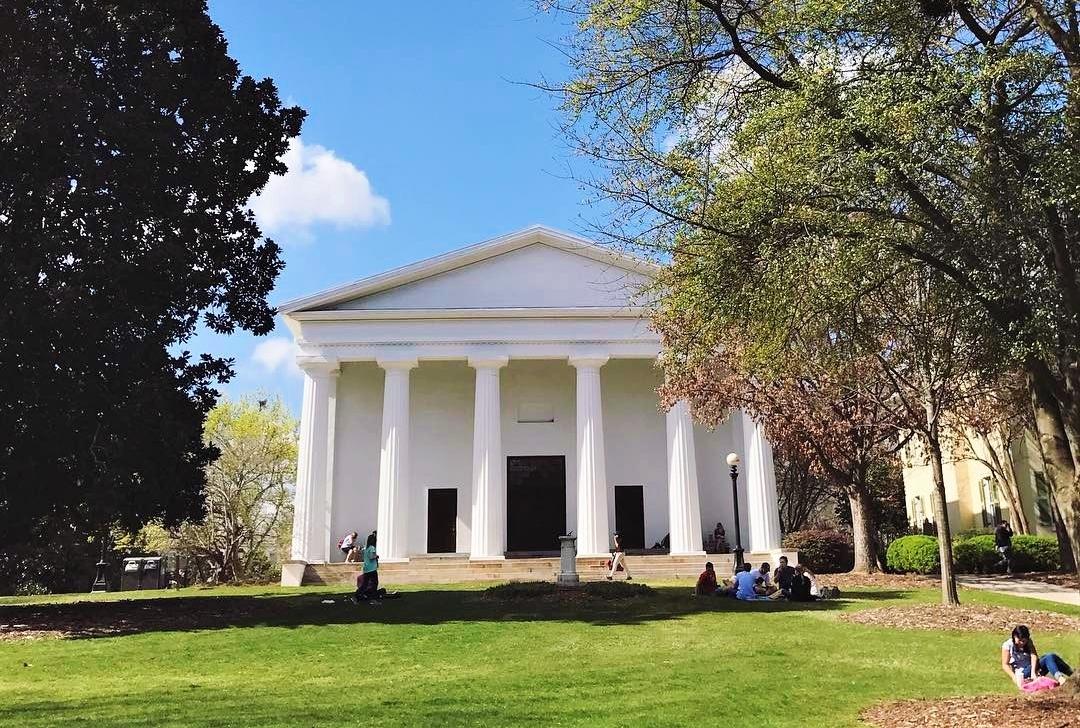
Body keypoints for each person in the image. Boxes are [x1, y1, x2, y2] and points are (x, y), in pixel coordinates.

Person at [1001, 625, 1072, 688]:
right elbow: (1005, 664)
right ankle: (1062, 679)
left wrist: (1033, 672)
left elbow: (1034, 655)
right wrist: (1014, 677)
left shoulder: (1028, 642)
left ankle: (1073, 675)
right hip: (1022, 674)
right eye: (1019, 640)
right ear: (1014, 636)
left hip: (1033, 670)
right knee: (1048, 657)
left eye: (1024, 641)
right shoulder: (1007, 645)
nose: (1022, 643)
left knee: (1051, 656)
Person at [354, 532, 382, 603]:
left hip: (366, 568)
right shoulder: (372, 548)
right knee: (374, 584)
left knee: (364, 584)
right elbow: (371, 557)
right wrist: (376, 556)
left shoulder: (366, 548)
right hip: (372, 569)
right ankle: (373, 599)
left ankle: (356, 596)